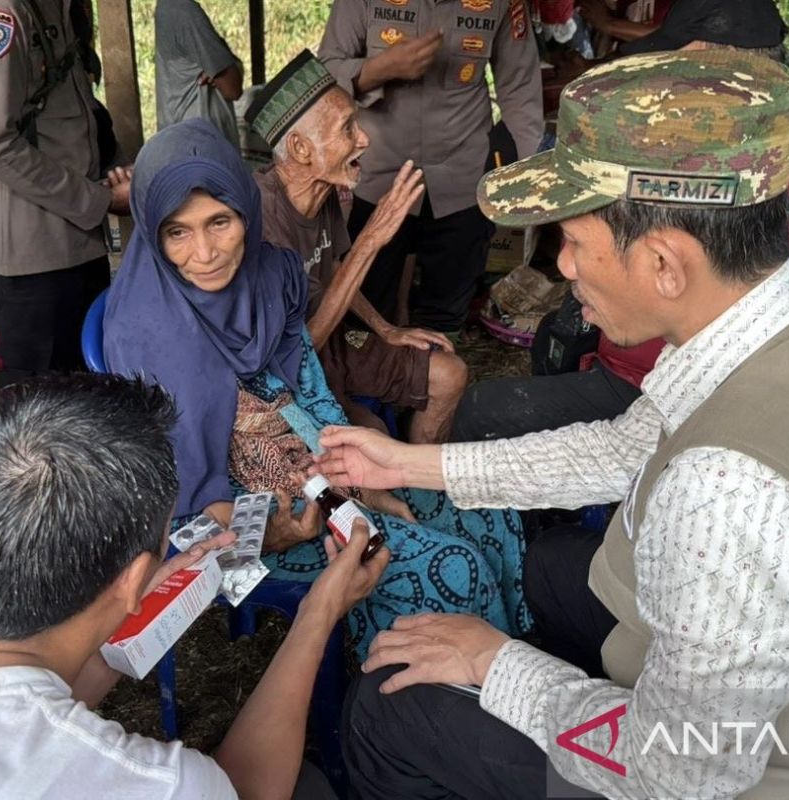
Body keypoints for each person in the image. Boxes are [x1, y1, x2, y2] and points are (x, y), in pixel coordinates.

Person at [320, 51, 789, 799]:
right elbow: (626, 446)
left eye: (575, 243)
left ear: (664, 263)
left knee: (393, 713)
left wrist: (497, 666)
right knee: (547, 566)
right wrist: (403, 464)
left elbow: (678, 772)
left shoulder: (727, 494)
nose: (562, 268)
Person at [0, 372, 386, 799]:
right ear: (132, 578)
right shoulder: (137, 783)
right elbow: (245, 789)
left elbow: (12, 696)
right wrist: (319, 612)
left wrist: (169, 581)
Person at [103, 120, 530, 657]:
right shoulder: (146, 336)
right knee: (450, 565)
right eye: (178, 232)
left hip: (318, 465)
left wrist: (357, 478)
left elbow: (311, 394)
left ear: (246, 213)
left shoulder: (267, 276)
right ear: (151, 229)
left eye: (220, 222)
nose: (205, 252)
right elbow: (182, 507)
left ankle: (512, 654)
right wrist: (278, 532)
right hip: (246, 517)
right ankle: (435, 707)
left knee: (485, 511)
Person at [450, 0, 789, 443]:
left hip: (651, 371)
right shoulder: (784, 129)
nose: (665, 71)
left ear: (716, 64)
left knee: (486, 404)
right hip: (736, 343)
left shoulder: (696, 154)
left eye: (678, 60)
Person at [246, 50, 468, 443]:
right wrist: (371, 239)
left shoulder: (323, 191)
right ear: (300, 149)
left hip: (334, 344)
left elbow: (333, 268)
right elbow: (299, 349)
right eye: (348, 129)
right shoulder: (261, 219)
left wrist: (385, 328)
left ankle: (424, 490)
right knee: (373, 436)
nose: (363, 140)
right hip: (288, 370)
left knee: (450, 374)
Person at [319, 0, 543, 336]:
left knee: (445, 313)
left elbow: (521, 90)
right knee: (366, 309)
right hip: (378, 181)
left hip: (463, 182)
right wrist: (377, 70)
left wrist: (514, 177)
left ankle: (436, 378)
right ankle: (372, 382)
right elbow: (324, 70)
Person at [0, 0, 131, 389]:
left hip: (79, 249)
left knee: (90, 406)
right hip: (32, 272)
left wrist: (114, 165)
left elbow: (70, 114)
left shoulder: (56, 6)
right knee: (39, 421)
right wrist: (99, 201)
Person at [154, 0, 243, 148]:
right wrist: (230, 64)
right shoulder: (184, 10)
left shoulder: (167, 7)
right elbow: (232, 88)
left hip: (184, 141)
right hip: (201, 146)